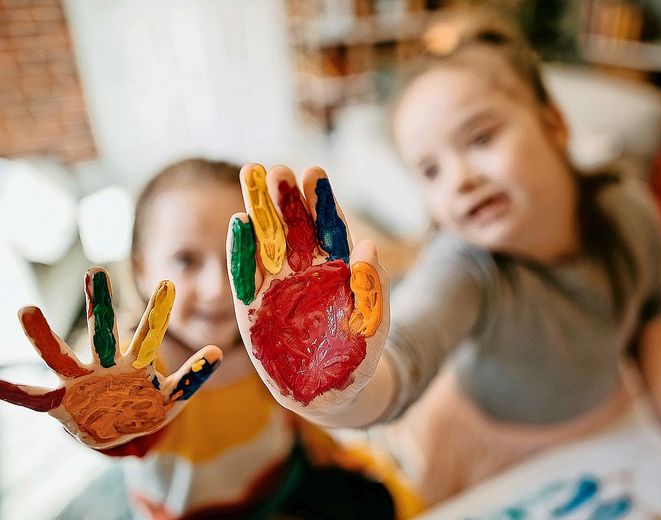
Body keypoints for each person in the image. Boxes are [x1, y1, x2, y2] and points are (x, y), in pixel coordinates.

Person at [226, 7, 661, 506]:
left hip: (601, 418)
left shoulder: (629, 207)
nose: (460, 179)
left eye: (481, 138)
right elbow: (404, 357)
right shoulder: (465, 265)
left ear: (554, 125)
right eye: (430, 170)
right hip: (490, 448)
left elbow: (652, 307)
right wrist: (337, 391)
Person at [0, 158, 420, 519]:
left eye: (234, 255)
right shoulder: (140, 367)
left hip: (281, 476)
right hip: (193, 514)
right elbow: (126, 434)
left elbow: (293, 412)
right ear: (142, 268)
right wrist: (109, 426)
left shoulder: (267, 337)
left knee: (378, 502)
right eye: (186, 260)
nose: (217, 288)